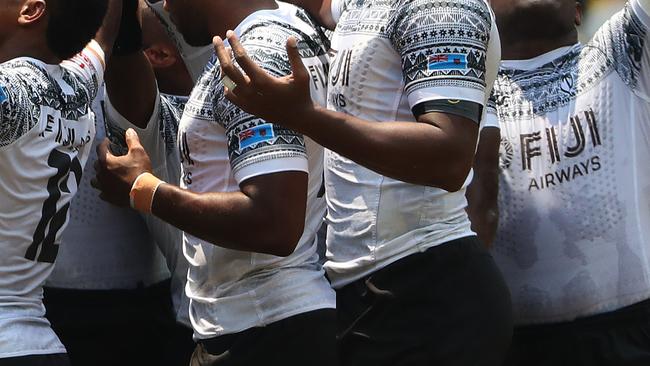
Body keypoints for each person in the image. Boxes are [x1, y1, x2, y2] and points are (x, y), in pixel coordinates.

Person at [212, 0, 513, 364]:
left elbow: (449, 156)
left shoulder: (442, 5)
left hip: (427, 288)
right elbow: (325, 7)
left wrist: (301, 116)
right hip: (371, 289)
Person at [93, 1, 337, 365]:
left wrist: (144, 190)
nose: (164, 6)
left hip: (266, 325)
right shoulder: (293, 28)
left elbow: (275, 222)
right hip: (266, 321)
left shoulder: (253, 52)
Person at [486, 0, 650, 364]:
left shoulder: (622, 52)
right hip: (517, 344)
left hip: (635, 332)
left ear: (577, 10)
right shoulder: (468, 95)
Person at [42, 1, 199, 365]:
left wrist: (141, 190)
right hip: (49, 304)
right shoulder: (30, 73)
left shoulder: (139, 86)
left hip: (147, 306)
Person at [0, 0, 121, 364]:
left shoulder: (12, 92)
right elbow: (105, 36)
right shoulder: (80, 84)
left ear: (31, 10)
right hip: (37, 345)